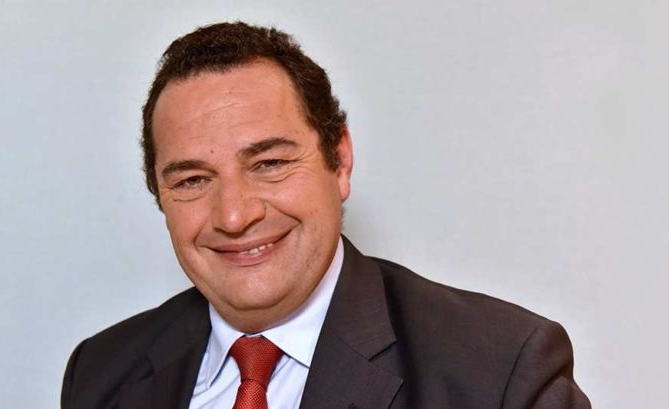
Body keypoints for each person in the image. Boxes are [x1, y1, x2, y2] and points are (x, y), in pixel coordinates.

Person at [61, 21, 590, 409]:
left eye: (269, 164)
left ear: (340, 161)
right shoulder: (102, 373)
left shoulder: (500, 372)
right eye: (193, 180)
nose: (235, 215)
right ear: (159, 194)